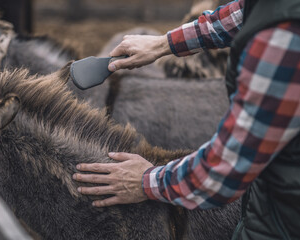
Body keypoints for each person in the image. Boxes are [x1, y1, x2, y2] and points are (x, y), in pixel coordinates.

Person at [72, 0, 300, 239]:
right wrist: (163, 44)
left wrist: (145, 182)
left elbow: (226, 169)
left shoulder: (285, 39)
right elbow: (243, 13)